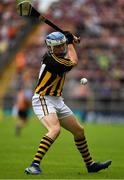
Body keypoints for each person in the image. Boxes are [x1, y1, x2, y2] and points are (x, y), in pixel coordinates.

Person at [25, 31, 112, 175]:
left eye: (62, 45)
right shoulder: (51, 60)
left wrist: (69, 39)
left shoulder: (57, 56)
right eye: (57, 47)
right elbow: (74, 61)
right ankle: (34, 165)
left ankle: (90, 165)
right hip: (43, 99)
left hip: (57, 100)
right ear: (51, 48)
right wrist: (70, 42)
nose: (60, 48)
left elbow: (69, 53)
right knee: (55, 130)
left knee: (79, 131)